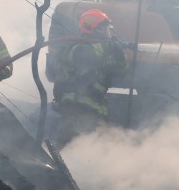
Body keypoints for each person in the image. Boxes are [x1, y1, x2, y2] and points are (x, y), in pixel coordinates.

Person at [52, 9, 128, 142]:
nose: (108, 32)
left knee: (93, 152)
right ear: (94, 29)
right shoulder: (76, 48)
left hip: (96, 113)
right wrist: (108, 47)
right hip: (76, 110)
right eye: (105, 28)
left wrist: (120, 56)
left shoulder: (104, 51)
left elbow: (122, 71)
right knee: (71, 149)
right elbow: (87, 56)